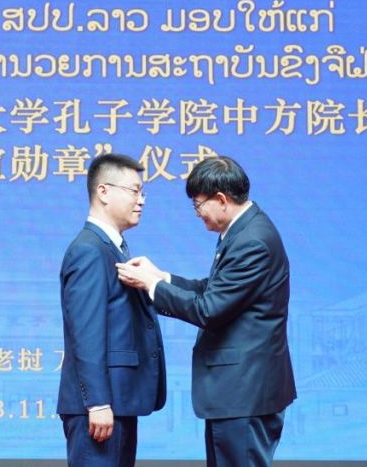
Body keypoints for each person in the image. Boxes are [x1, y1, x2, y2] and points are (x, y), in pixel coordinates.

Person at [116, 155, 295, 467]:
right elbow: (214, 289)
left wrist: (151, 286)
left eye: (198, 205)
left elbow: (209, 310)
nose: (197, 213)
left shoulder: (252, 241)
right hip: (239, 393)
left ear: (221, 200)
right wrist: (162, 277)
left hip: (245, 393)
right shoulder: (243, 230)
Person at [57, 153, 166, 467]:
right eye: (134, 191)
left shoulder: (112, 247)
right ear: (103, 192)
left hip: (117, 402)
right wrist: (97, 402)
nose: (141, 200)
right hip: (100, 408)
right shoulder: (89, 250)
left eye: (142, 192)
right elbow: (86, 333)